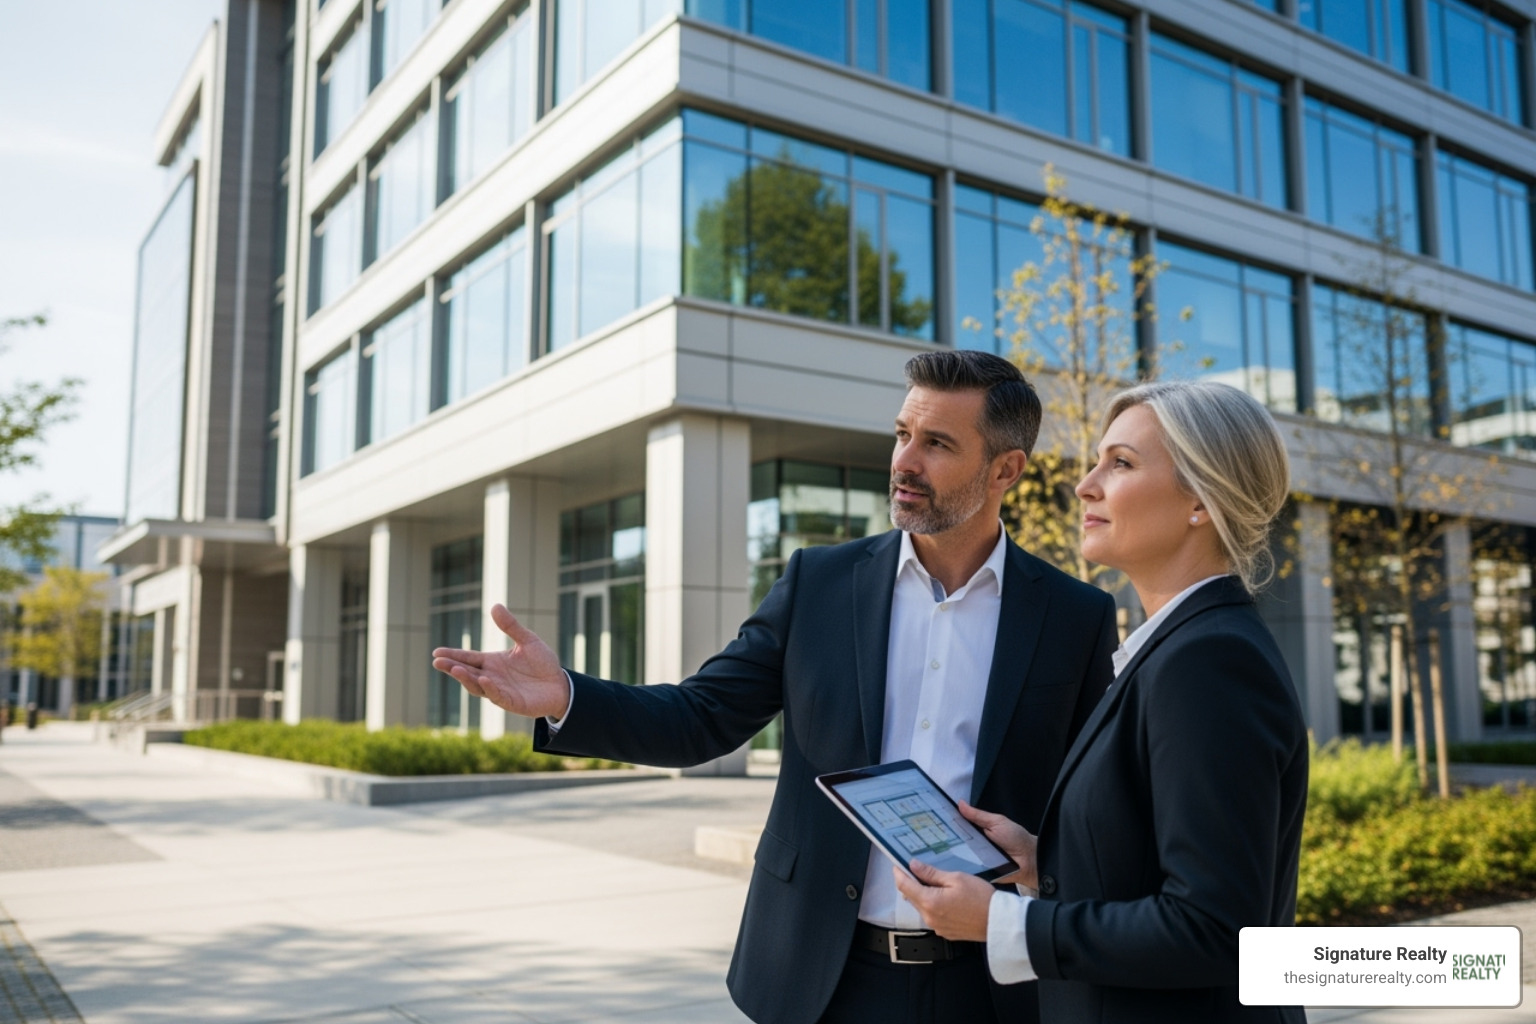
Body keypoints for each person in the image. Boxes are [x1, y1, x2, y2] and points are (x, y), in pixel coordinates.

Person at [432, 349, 1118, 1024]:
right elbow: (701, 718)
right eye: (902, 435)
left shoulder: (1073, 616)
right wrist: (566, 698)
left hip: (997, 988)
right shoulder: (819, 583)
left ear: (1005, 469)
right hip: (824, 975)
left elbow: (1097, 806)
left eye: (936, 443)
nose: (904, 462)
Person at [894, 379, 1309, 1023]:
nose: (1085, 484)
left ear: (1200, 500)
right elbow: (1157, 864)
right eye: (1096, 461)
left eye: (1121, 463)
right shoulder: (1173, 648)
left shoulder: (1208, 661)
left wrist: (1005, 924)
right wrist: (1041, 862)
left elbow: (1213, 930)